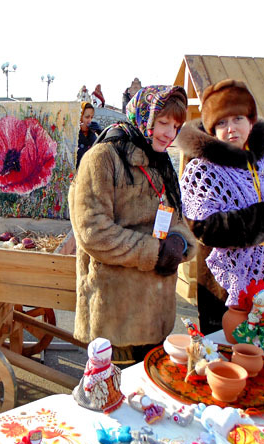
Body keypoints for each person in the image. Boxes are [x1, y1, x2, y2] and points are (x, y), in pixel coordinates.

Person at [69, 85, 197, 365]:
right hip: (117, 316)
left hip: (157, 313)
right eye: (163, 122)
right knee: (115, 387)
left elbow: (176, 217)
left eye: (176, 126)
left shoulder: (160, 161)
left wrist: (179, 241)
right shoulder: (103, 157)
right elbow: (93, 232)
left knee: (151, 387)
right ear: (144, 116)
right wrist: (154, 252)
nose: (170, 133)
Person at [179, 79, 264, 334]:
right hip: (227, 284)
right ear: (212, 129)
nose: (231, 129)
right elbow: (204, 228)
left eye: (238, 118)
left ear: (251, 121)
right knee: (231, 347)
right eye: (221, 123)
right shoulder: (203, 169)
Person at [77, 102, 101, 169]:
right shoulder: (73, 135)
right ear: (80, 117)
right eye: (87, 117)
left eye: (91, 117)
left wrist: (101, 133)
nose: (89, 121)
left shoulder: (92, 134)